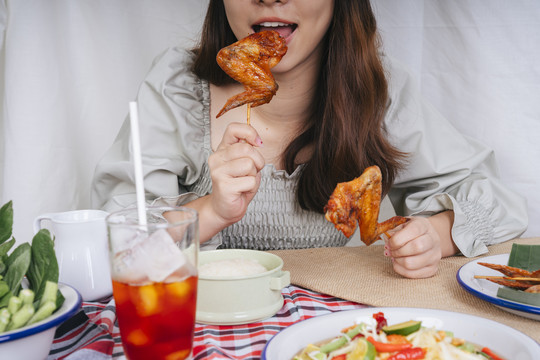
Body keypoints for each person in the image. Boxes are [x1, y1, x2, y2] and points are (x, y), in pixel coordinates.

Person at [91, 0, 528, 278]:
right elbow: (117, 245)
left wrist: (438, 232)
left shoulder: (377, 89)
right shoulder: (177, 88)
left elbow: (497, 199)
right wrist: (209, 212)